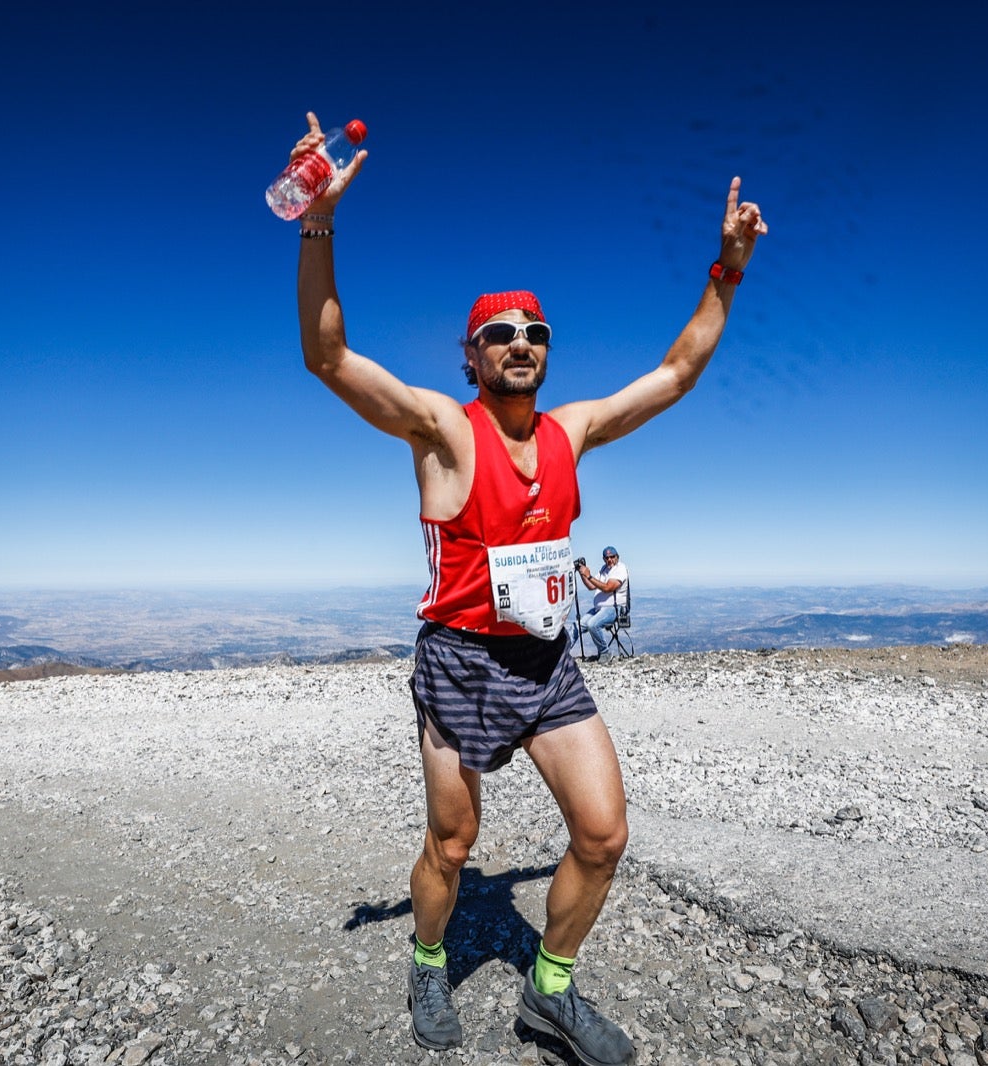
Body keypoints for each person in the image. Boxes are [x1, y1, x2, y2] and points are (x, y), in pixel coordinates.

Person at [290, 111, 766, 1065]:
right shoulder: (440, 428)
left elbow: (676, 373)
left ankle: (550, 992)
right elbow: (329, 356)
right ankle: (429, 957)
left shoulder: (572, 429)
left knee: (603, 834)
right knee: (454, 848)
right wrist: (318, 222)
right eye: (498, 334)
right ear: (471, 357)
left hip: (545, 662)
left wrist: (727, 269)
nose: (519, 343)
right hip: (459, 662)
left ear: (546, 353)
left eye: (534, 333)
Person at [575, 547, 628, 661]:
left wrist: (589, 575)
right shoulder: (604, 569)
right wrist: (582, 574)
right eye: (607, 558)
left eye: (612, 557)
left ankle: (605, 653)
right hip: (598, 609)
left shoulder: (620, 569)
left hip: (613, 608)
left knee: (592, 624)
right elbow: (591, 586)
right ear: (604, 559)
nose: (609, 560)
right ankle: (561, 654)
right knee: (577, 626)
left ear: (617, 557)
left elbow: (608, 588)